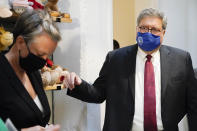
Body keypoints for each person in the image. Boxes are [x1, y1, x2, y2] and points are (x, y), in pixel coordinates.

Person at [63, 8, 197, 131]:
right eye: (144, 28)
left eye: (155, 29)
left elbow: (193, 103)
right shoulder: (115, 58)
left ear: (163, 33)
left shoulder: (181, 60)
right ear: (137, 29)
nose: (148, 33)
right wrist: (78, 84)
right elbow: (98, 93)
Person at [0, 9, 61, 131]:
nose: (43, 61)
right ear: (20, 42)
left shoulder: (32, 71)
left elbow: (39, 117)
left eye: (47, 56)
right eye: (39, 55)